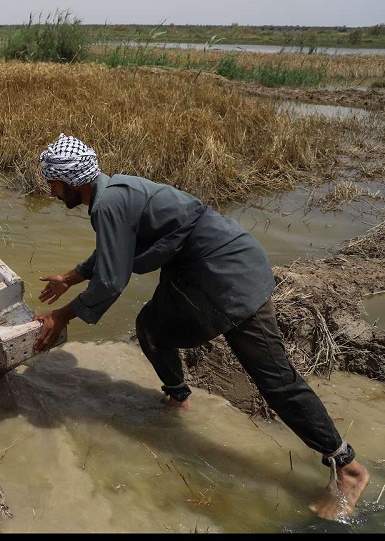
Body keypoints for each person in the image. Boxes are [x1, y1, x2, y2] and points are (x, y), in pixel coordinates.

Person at [32, 133, 370, 522]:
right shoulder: (115, 193)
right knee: (151, 328)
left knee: (274, 378)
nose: (52, 193)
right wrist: (69, 277)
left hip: (226, 276)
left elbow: (111, 280)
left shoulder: (108, 204)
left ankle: (347, 467)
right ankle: (178, 399)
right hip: (203, 271)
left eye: (53, 184)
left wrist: (61, 318)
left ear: (72, 181)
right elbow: (115, 251)